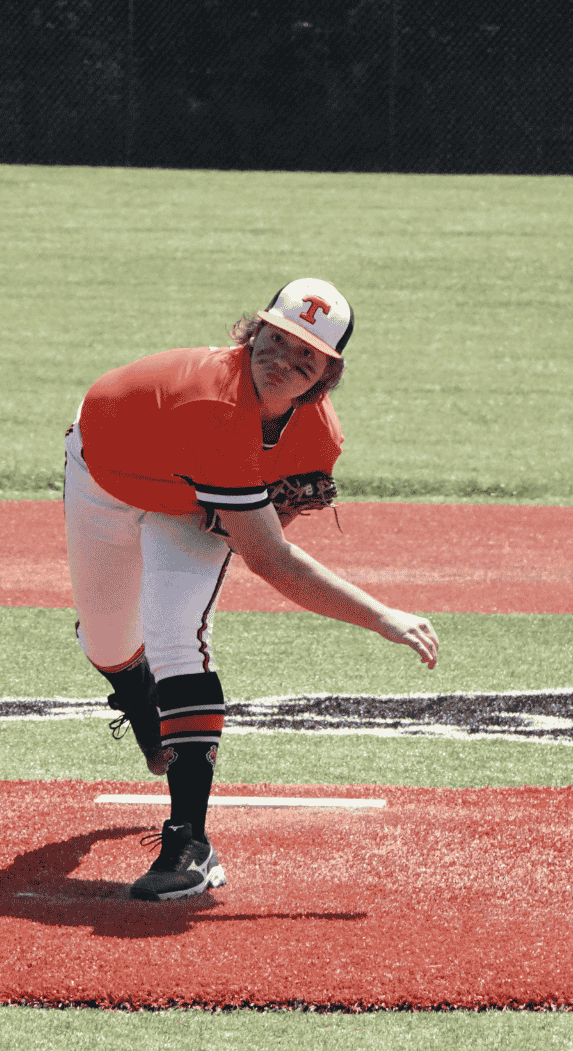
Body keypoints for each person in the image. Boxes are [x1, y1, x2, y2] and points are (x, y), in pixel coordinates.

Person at [64, 278, 440, 902]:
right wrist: (381, 616)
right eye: (278, 338)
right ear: (254, 332)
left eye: (307, 357)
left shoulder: (317, 438)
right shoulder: (212, 402)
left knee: (177, 635)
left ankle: (189, 842)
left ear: (326, 376)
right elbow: (271, 560)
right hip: (107, 472)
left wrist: (245, 521)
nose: (284, 359)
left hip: (191, 501)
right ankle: (134, 687)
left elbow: (265, 536)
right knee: (108, 638)